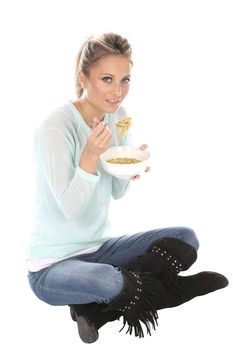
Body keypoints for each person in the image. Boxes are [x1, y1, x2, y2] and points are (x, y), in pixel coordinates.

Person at [27, 32, 228, 343]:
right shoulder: (56, 126)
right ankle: (175, 292)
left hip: (101, 248)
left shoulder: (118, 117)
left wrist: (127, 170)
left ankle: (95, 312)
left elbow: (117, 193)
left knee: (185, 239)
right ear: (83, 77)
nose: (118, 92)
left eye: (125, 80)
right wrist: (90, 156)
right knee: (108, 280)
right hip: (52, 267)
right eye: (107, 79)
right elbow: (70, 210)